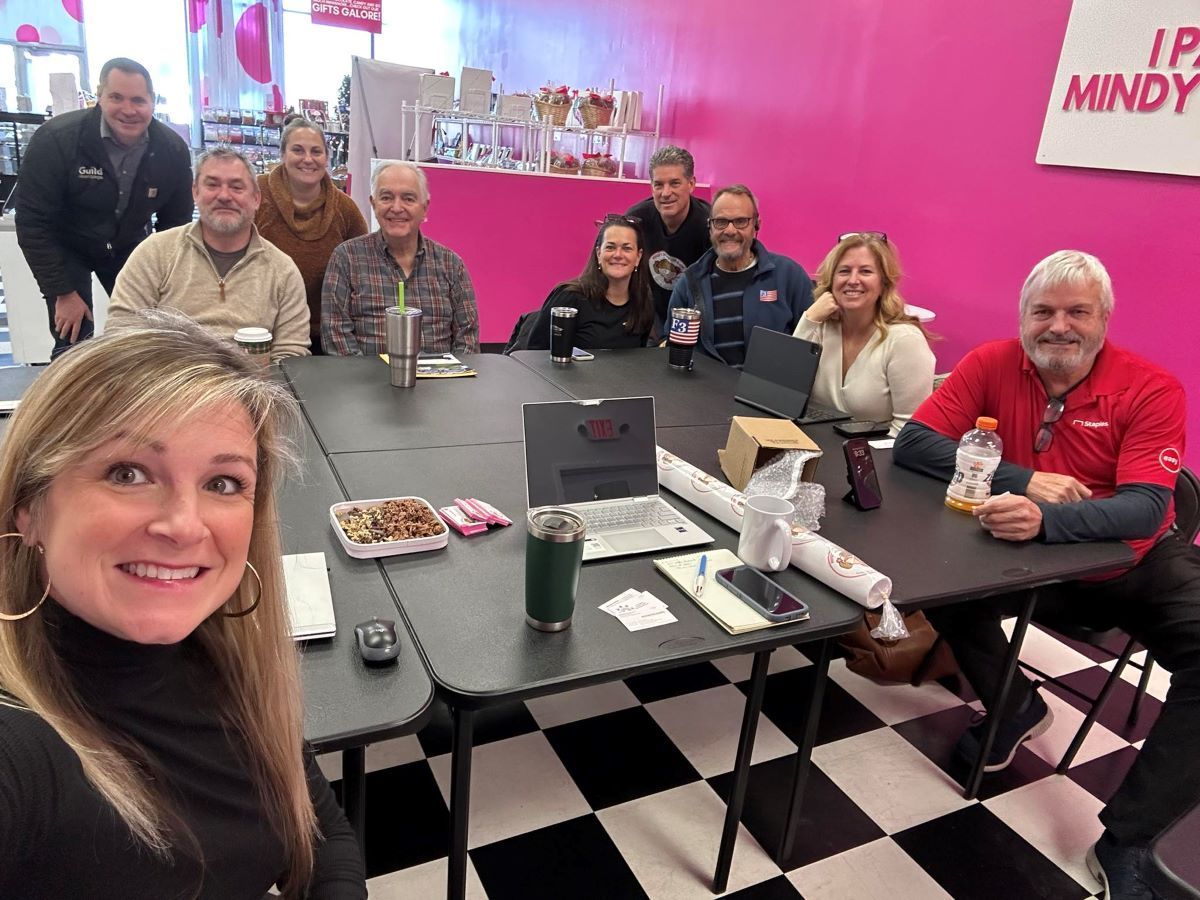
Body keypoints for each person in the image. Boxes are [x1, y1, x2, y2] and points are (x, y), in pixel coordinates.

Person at [0, 310, 365, 898]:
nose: (184, 526)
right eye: (128, 472)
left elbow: (318, 828)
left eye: (223, 484)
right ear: (30, 508)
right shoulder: (20, 745)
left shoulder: (225, 658)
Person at [893, 250, 1197, 899]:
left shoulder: (1152, 386)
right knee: (933, 577)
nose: (1059, 325)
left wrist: (1045, 520)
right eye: (1044, 311)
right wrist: (1023, 481)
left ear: (1103, 320)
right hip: (1025, 565)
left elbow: (1147, 505)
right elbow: (916, 443)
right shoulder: (989, 363)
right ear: (1023, 318)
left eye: (1077, 311)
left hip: (1133, 563)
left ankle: (1130, 841)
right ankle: (1012, 705)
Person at [14, 57, 193, 359]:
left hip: (129, 244)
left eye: (138, 100)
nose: (128, 109)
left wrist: (166, 279)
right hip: (67, 246)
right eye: (116, 97)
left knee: (149, 335)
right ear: (99, 96)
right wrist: (63, 292)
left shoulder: (171, 150)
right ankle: (71, 400)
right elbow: (33, 222)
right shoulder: (57, 139)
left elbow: (176, 224)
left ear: (152, 102)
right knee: (73, 338)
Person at [108, 147, 311, 360]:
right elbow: (122, 333)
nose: (224, 196)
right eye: (212, 185)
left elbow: (291, 354)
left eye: (237, 187)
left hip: (251, 388)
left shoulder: (282, 270)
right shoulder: (156, 252)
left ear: (256, 199)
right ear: (195, 191)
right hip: (169, 385)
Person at [322, 160, 479, 356]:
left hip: (439, 383)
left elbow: (468, 340)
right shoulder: (346, 259)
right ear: (373, 203)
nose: (397, 208)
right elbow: (336, 338)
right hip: (365, 382)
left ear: (425, 207)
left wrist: (448, 380)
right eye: (386, 197)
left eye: (408, 198)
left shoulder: (451, 265)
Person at [794, 232, 935, 436]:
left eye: (865, 271)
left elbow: (909, 431)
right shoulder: (821, 326)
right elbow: (786, 392)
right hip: (818, 448)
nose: (853, 280)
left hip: (873, 458)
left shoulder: (905, 341)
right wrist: (809, 319)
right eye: (844, 271)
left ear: (883, 284)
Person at [254, 116, 368, 354]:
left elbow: (364, 269)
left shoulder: (346, 209)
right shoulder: (256, 196)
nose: (308, 159)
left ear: (326, 158)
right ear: (283, 155)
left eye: (316, 151)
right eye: (298, 150)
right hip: (261, 331)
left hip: (326, 337)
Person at [666, 184, 813, 366]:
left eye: (740, 221)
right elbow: (671, 347)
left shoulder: (789, 276)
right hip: (703, 391)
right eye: (720, 222)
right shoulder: (690, 283)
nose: (729, 231)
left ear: (756, 225)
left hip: (765, 393)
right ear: (710, 227)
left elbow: (812, 344)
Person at [525, 214, 654, 351]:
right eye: (610, 247)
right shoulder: (569, 297)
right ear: (599, 254)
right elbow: (535, 354)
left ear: (638, 257)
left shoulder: (644, 300)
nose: (618, 255)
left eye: (627, 248)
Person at [624, 146, 712, 330]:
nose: (665, 193)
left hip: (696, 320)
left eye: (674, 183)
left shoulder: (710, 225)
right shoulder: (636, 220)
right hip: (646, 318)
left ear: (691, 184)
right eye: (658, 184)